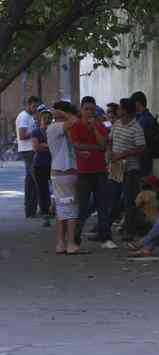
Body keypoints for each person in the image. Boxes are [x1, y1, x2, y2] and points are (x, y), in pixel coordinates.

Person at [69, 96, 116, 249]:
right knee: (82, 206)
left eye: (92, 109)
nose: (89, 112)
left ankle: (105, 238)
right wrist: (92, 147)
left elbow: (103, 145)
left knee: (103, 205)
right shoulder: (76, 126)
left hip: (100, 170)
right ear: (81, 110)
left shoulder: (100, 126)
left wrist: (94, 129)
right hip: (83, 172)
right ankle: (75, 239)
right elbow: (76, 145)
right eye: (86, 109)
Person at [47, 101, 87, 255]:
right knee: (71, 209)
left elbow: (67, 147)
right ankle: (70, 243)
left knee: (62, 209)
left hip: (57, 173)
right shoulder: (57, 126)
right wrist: (61, 112)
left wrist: (79, 154)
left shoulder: (55, 129)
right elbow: (74, 120)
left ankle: (60, 243)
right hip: (66, 173)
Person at [110, 98, 146, 242]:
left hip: (130, 169)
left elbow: (142, 148)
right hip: (116, 167)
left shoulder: (136, 127)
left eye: (119, 108)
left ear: (125, 111)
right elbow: (110, 139)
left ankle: (129, 230)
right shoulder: (117, 124)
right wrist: (109, 152)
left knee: (129, 200)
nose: (117, 110)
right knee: (112, 198)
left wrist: (124, 154)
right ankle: (106, 227)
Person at [16, 96, 41, 218]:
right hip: (28, 151)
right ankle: (34, 209)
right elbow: (22, 135)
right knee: (36, 180)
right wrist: (36, 132)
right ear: (29, 104)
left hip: (30, 150)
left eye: (37, 106)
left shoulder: (30, 116)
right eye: (34, 106)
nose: (35, 109)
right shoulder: (24, 117)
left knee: (31, 181)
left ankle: (31, 211)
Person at [31, 110, 54, 225]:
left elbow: (56, 147)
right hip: (39, 164)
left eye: (49, 118)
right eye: (45, 118)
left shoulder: (53, 131)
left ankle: (53, 209)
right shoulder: (36, 132)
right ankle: (45, 212)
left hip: (53, 164)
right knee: (42, 189)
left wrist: (44, 146)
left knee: (55, 188)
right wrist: (49, 146)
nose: (47, 120)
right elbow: (36, 147)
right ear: (40, 120)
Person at [131, 91, 159, 176]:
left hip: (142, 160)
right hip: (142, 160)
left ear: (137, 103)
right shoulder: (141, 118)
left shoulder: (145, 120)